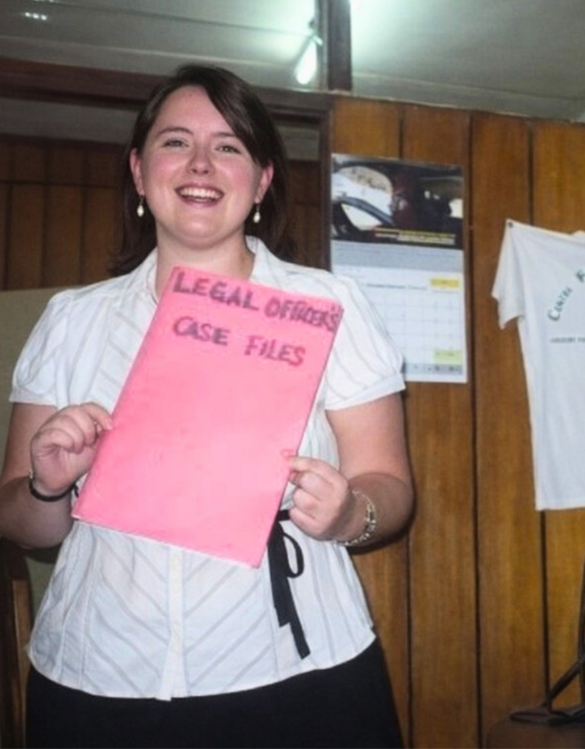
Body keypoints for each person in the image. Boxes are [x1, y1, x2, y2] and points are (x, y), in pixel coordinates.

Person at [0, 64, 413, 748]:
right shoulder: (72, 320)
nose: (200, 164)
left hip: (299, 672)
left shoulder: (328, 308)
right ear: (137, 170)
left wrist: (348, 512)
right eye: (174, 142)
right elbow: (24, 524)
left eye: (229, 146)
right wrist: (48, 484)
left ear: (262, 180)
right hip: (98, 678)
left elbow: (391, 487)